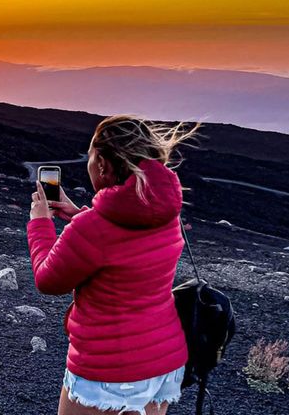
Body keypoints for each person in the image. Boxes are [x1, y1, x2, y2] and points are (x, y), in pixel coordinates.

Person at [26, 115, 199, 415]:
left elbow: (47, 280)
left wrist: (40, 223)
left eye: (92, 159)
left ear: (103, 165)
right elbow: (125, 250)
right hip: (164, 362)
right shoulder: (165, 213)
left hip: (107, 370)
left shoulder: (93, 229)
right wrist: (79, 214)